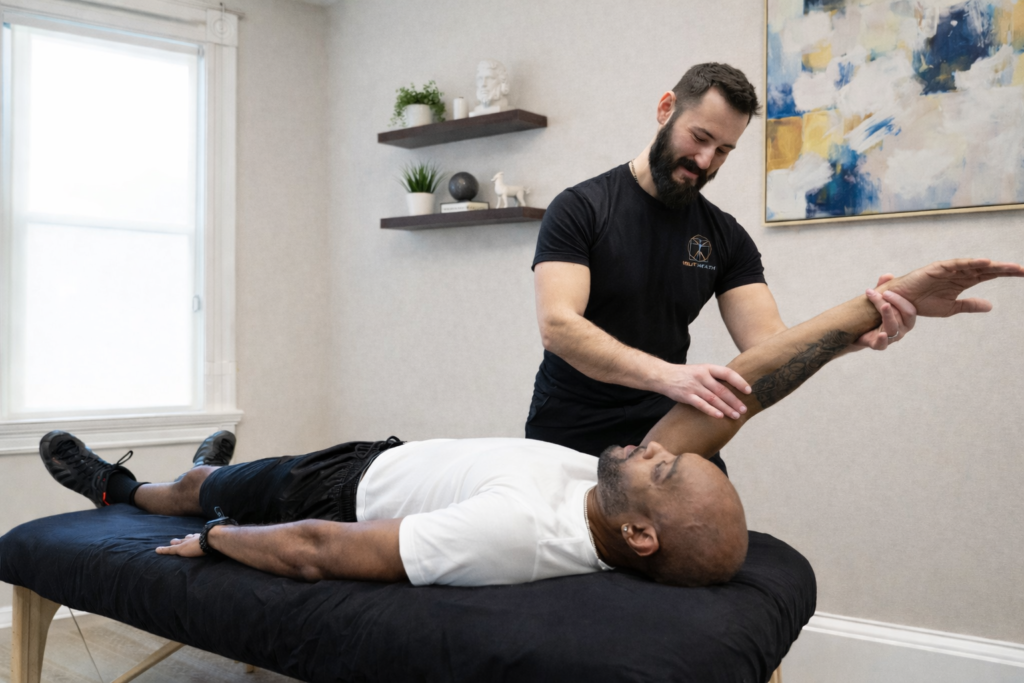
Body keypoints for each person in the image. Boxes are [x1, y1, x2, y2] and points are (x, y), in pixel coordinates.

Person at [38, 259, 1022, 588]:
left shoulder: (517, 534)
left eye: (666, 468)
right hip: (394, 452)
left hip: (335, 488)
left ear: (641, 532)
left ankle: (126, 485)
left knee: (202, 491)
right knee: (222, 478)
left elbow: (322, 549)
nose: (661, 447)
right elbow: (747, 386)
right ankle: (204, 469)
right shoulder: (617, 498)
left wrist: (217, 539)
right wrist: (870, 310)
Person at [527, 62, 917, 469]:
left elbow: (769, 346)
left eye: (723, 151)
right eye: (700, 137)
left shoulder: (725, 236)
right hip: (569, 429)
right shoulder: (580, 209)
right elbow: (559, 327)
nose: (705, 160)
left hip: (670, 428)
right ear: (666, 109)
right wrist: (669, 376)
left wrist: (850, 336)